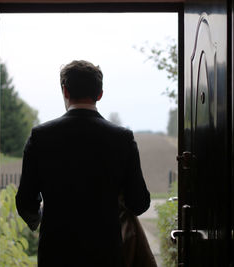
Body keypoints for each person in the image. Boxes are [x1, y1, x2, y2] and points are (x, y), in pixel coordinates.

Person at [16, 60, 151, 267]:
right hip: (106, 254)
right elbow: (139, 202)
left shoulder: (41, 136)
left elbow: (25, 200)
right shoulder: (122, 138)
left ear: (65, 91)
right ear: (100, 94)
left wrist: (41, 217)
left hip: (56, 252)